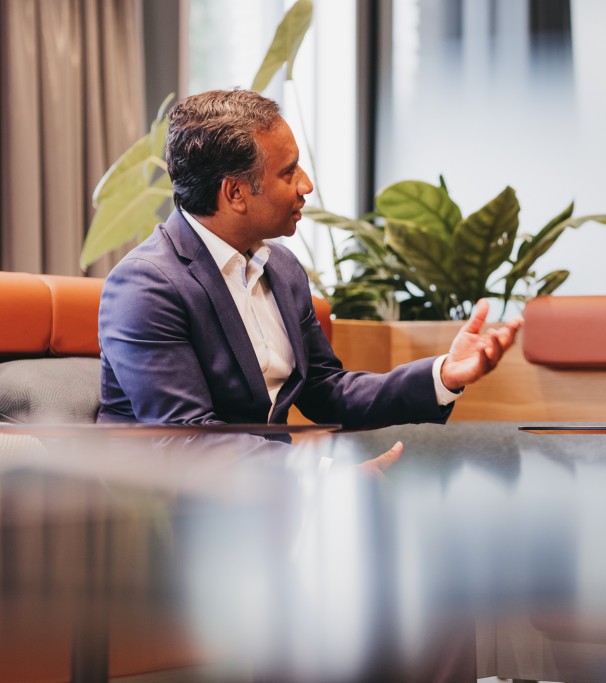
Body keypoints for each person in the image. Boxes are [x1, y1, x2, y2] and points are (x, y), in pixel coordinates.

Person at [98, 88, 521, 462]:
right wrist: (316, 476)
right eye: (288, 171)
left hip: (265, 511)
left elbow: (325, 390)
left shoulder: (281, 268)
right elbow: (186, 441)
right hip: (152, 519)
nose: (306, 185)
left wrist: (443, 375)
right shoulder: (146, 285)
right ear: (235, 193)